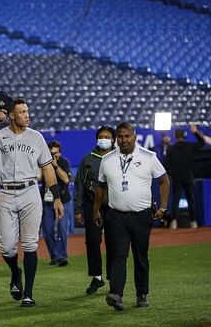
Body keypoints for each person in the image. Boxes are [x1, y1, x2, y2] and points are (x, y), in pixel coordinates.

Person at [0, 97, 64, 307]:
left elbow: (47, 169)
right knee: (7, 248)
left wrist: (57, 198)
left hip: (30, 192)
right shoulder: (0, 135)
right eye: (22, 112)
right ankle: (16, 273)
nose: (27, 115)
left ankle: (28, 293)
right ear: (11, 115)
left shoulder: (36, 137)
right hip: (6, 193)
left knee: (29, 244)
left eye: (27, 111)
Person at [93, 122, 169, 311]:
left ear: (135, 136)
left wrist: (164, 207)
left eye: (127, 136)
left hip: (142, 216)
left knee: (140, 255)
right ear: (116, 138)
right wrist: (95, 210)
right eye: (120, 136)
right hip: (116, 216)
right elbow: (101, 187)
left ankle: (141, 293)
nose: (124, 140)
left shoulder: (149, 157)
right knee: (118, 256)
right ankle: (116, 294)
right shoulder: (107, 159)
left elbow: (164, 180)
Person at [73, 125, 116, 295]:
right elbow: (79, 187)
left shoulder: (119, 158)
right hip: (92, 205)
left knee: (114, 242)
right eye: (101, 136)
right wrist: (78, 209)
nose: (104, 139)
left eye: (107, 136)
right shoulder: (88, 159)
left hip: (114, 205)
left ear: (113, 139)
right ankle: (97, 277)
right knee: (92, 241)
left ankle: (114, 278)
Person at [164, 125, 204, 229]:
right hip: (188, 177)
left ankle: (174, 222)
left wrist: (171, 174)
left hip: (177, 177)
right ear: (184, 136)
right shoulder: (189, 146)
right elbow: (202, 143)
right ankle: (193, 221)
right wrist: (195, 133)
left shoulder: (171, 148)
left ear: (175, 136)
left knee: (175, 200)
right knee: (191, 199)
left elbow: (166, 164)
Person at [41, 140, 71, 267]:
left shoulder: (64, 162)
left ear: (60, 153)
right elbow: (38, 177)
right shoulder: (42, 162)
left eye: (56, 153)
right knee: (47, 230)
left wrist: (55, 165)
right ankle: (54, 256)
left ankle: (62, 256)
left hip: (63, 200)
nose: (54, 155)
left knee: (62, 229)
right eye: (51, 153)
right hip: (48, 201)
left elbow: (66, 179)